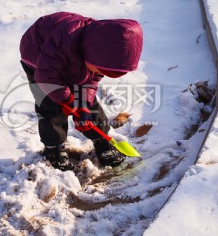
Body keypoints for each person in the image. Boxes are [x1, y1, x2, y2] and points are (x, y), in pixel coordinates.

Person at [20, 12, 143, 171]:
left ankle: (101, 138)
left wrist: (83, 105)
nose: (101, 74)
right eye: (101, 70)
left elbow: (91, 81)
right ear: (93, 57)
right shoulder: (64, 40)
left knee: (90, 104)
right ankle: (53, 148)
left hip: (73, 60)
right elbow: (46, 76)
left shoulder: (102, 50)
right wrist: (67, 100)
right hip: (38, 61)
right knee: (51, 106)